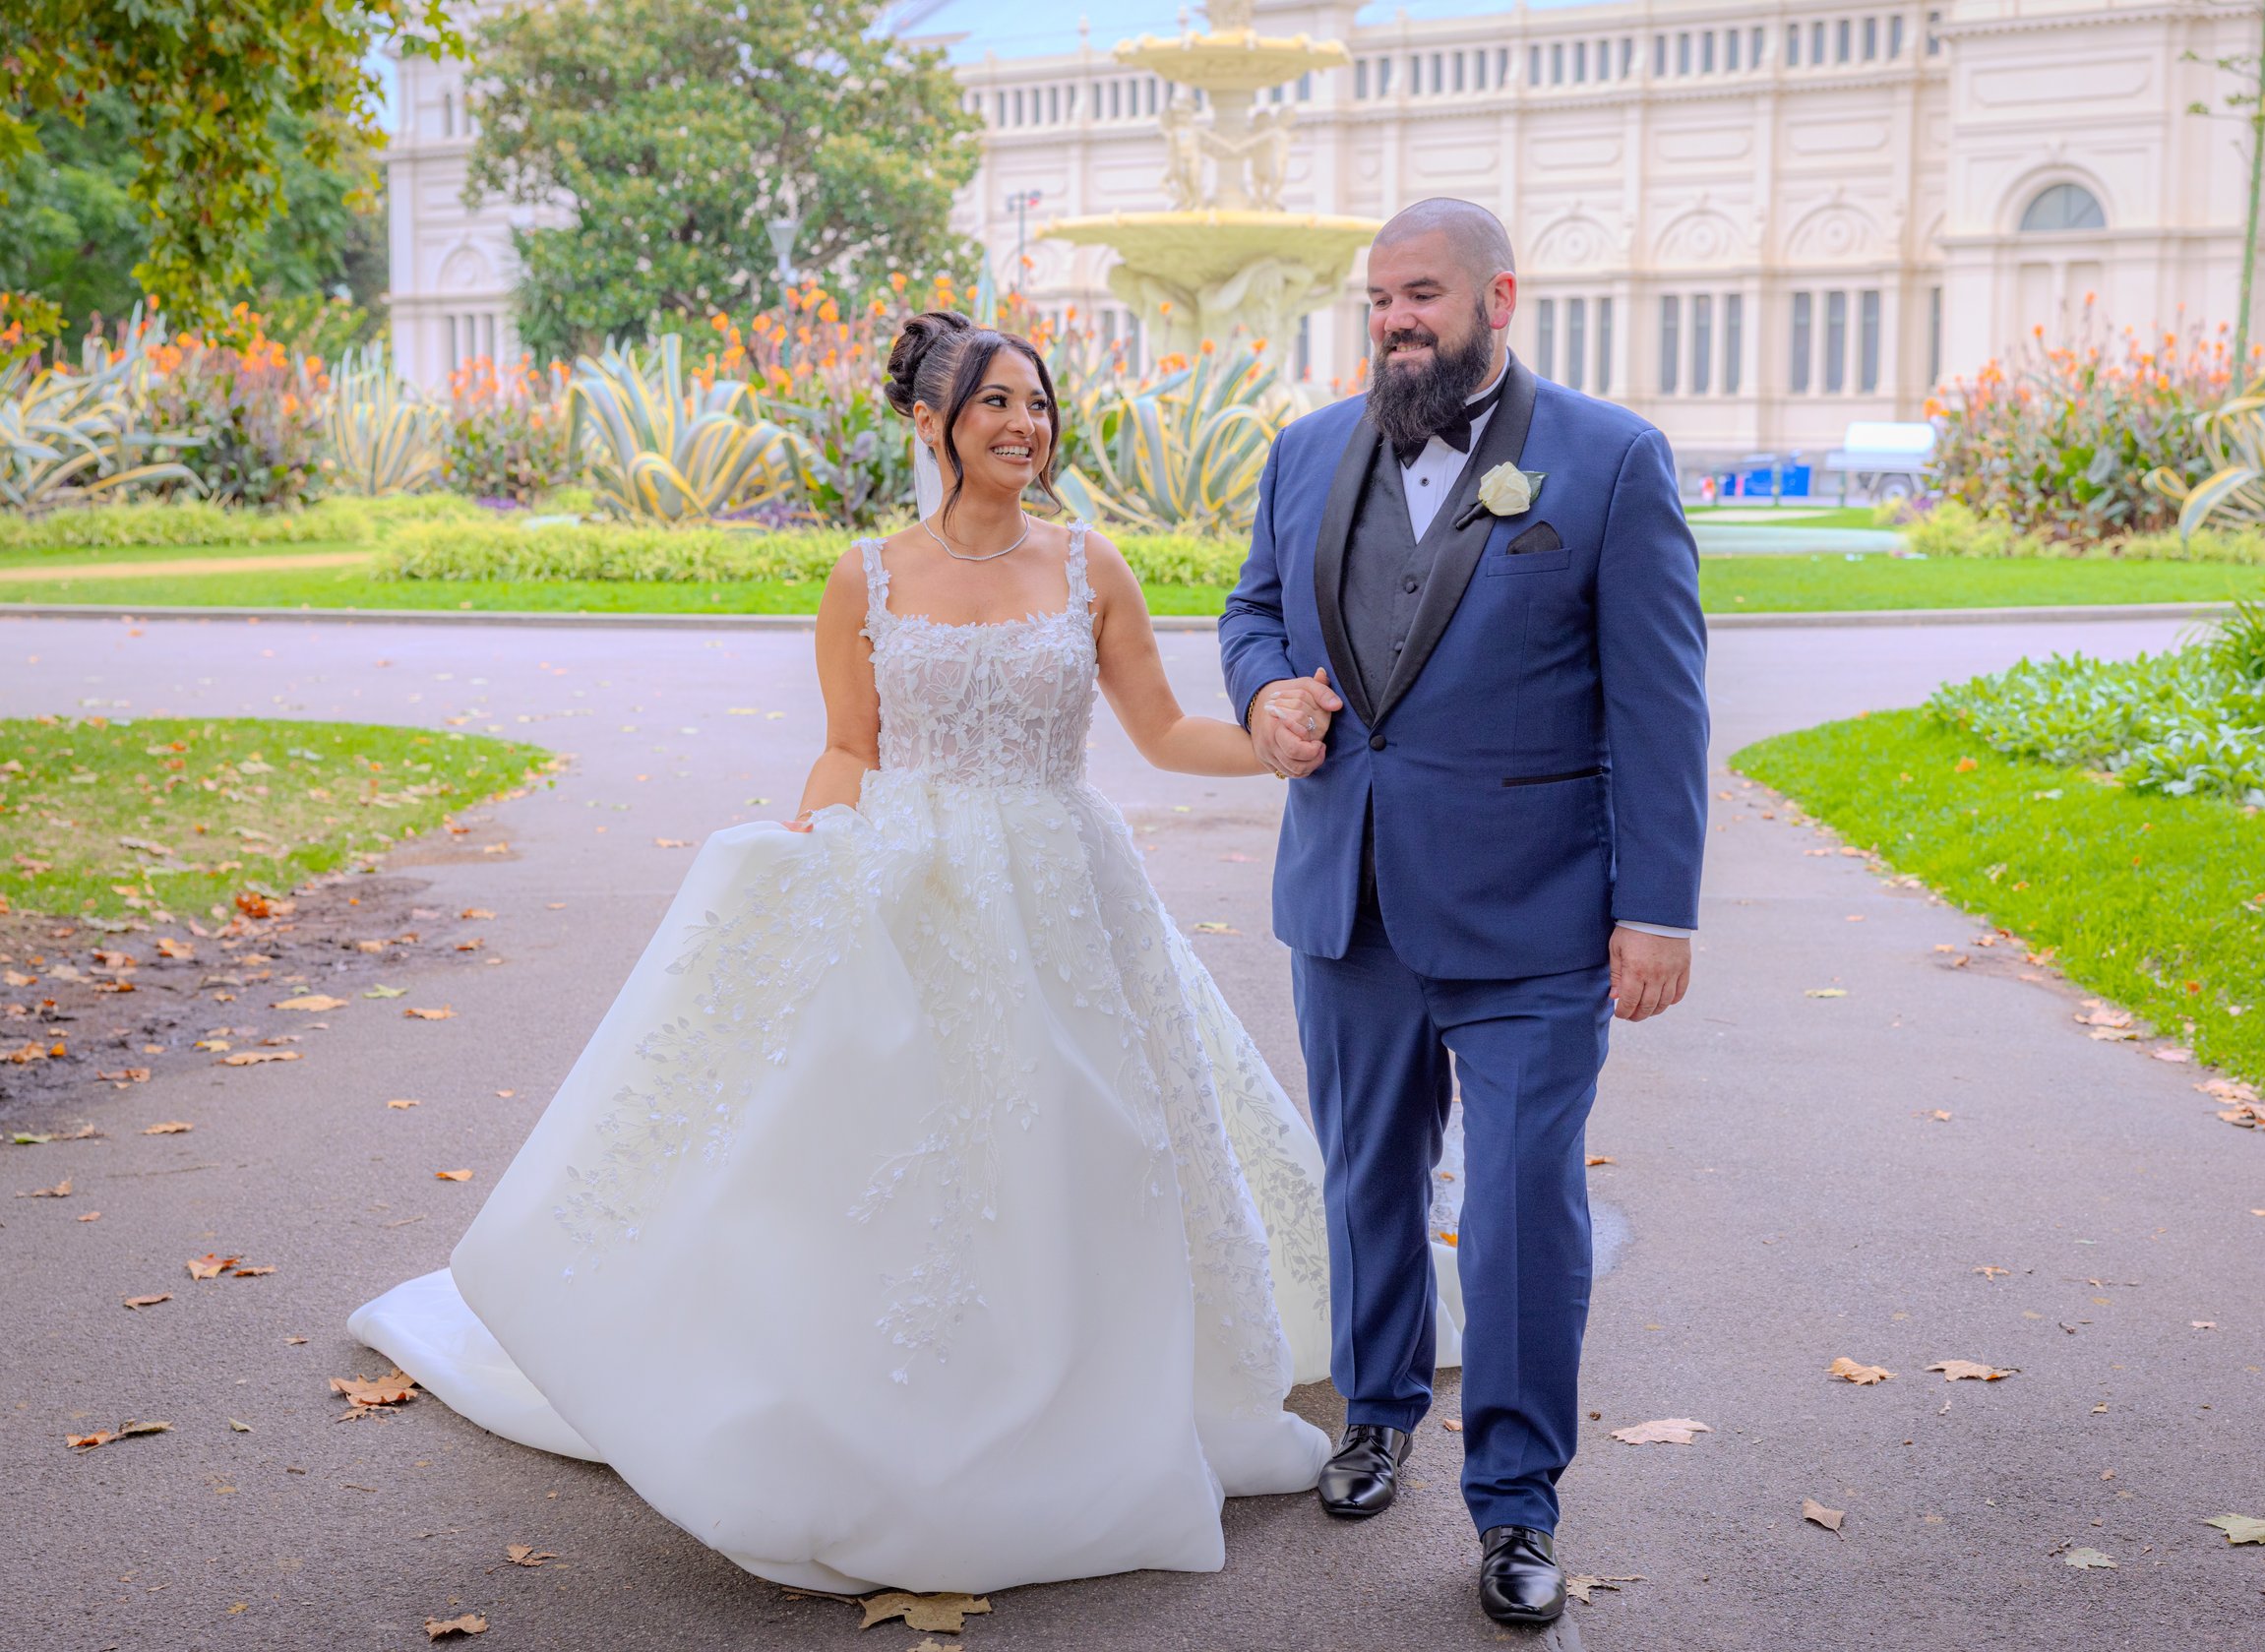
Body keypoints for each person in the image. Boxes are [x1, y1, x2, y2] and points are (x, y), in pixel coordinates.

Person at [346, 311, 1422, 1595]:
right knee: (909, 1152)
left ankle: (1092, 1387)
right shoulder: (866, 575)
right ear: (931, 424)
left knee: (1101, 1137)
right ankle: (905, 1398)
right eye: (996, 406)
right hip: (909, 882)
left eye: (1038, 403)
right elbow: (850, 744)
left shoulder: (1091, 565)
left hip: (1066, 892)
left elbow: (1161, 729)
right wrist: (815, 838)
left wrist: (1270, 737)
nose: (1026, 425)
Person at [1219, 199, 1711, 1625]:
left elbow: (1662, 702)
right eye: (1379, 297)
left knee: (1515, 1206)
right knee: (1365, 1175)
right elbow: (1252, 609)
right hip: (1349, 890)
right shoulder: (1309, 448)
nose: (1395, 319)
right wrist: (1263, 694)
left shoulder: (1610, 461)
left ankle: (1517, 1505)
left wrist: (1657, 909)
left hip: (1538, 913)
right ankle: (1376, 1414)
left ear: (1499, 293)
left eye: (1420, 292)